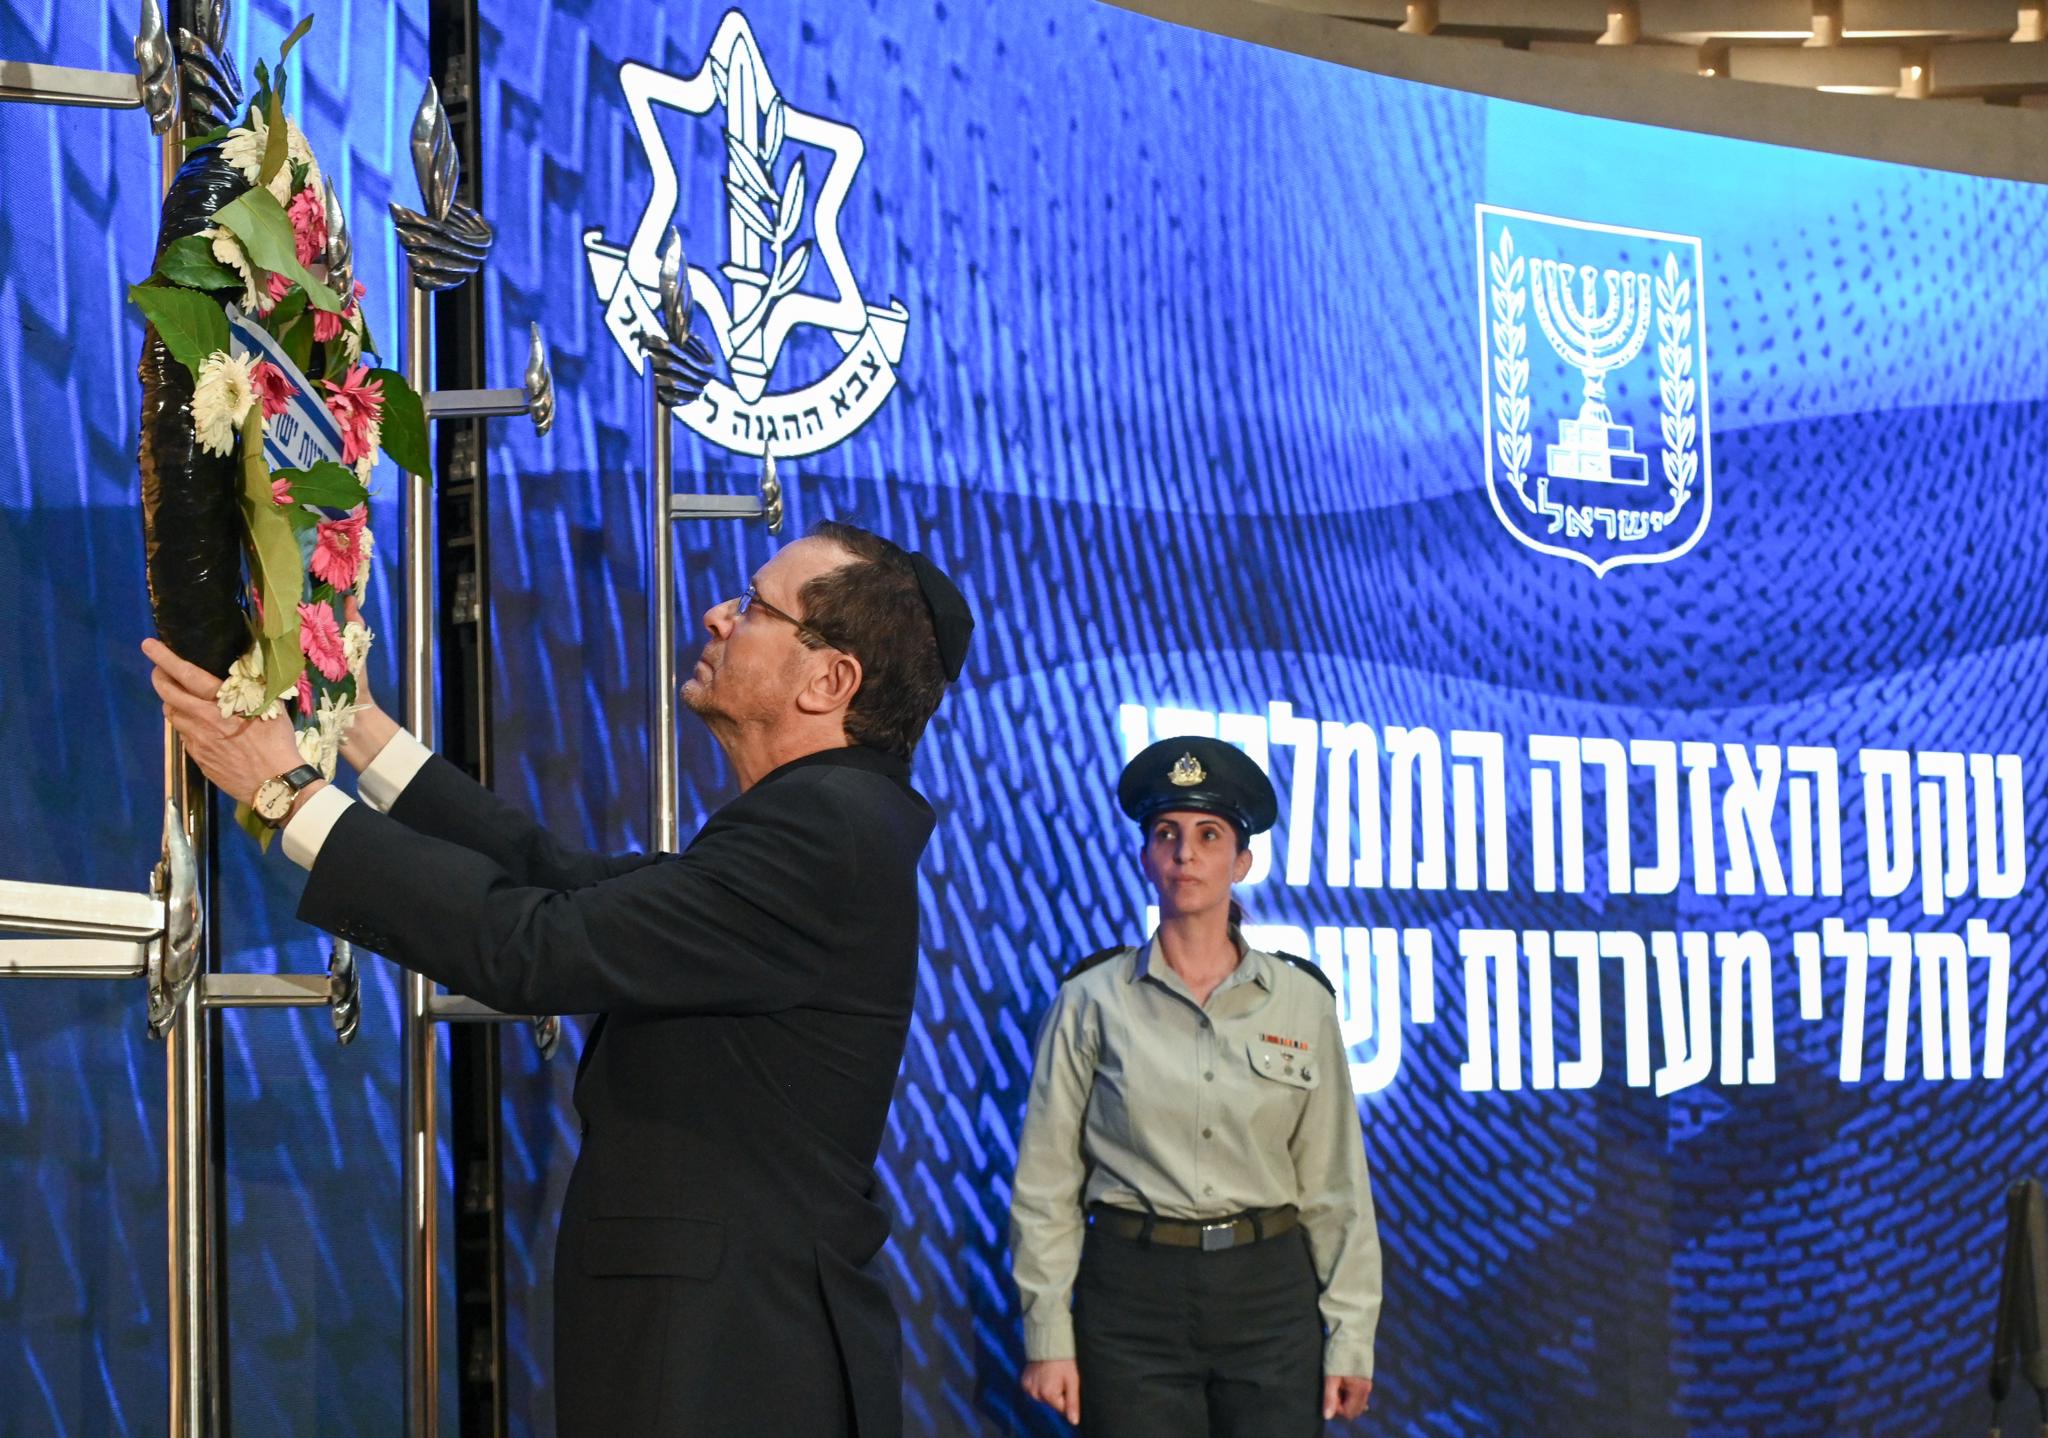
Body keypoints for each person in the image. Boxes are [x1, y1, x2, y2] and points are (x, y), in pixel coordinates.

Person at [145, 520, 972, 1438]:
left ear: (830, 680)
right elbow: (557, 873)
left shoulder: (823, 835)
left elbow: (535, 946)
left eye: (752, 605)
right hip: (722, 1342)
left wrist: (290, 796)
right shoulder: (827, 823)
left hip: (726, 1360)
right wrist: (362, 728)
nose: (716, 615)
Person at [1009, 736, 1381, 1435]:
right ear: (1146, 856)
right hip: (1130, 1298)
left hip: (1269, 1296)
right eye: (1167, 834)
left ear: (1242, 861)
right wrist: (1048, 1336)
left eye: (1209, 835)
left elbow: (1337, 1187)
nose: (1186, 853)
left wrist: (1352, 1338)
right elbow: (1046, 1183)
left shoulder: (1303, 1002)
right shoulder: (1091, 1000)